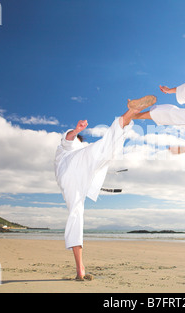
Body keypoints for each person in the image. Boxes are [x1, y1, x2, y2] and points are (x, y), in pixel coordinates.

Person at [54, 95, 156, 281]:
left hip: (70, 181)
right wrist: (76, 130)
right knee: (104, 148)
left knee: (76, 214)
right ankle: (128, 116)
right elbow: (68, 139)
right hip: (74, 168)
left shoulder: (75, 150)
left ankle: (80, 268)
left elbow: (79, 149)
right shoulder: (68, 146)